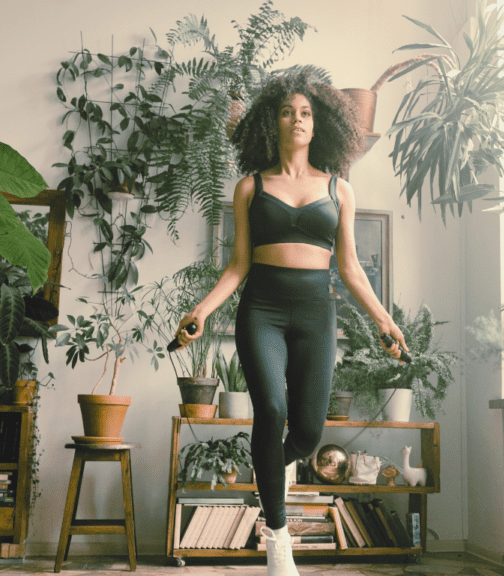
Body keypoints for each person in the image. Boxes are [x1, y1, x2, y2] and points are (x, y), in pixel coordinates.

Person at [173, 70, 407, 576]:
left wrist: (385, 323)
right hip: (262, 311)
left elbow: (349, 270)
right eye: (287, 112)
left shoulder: (339, 190)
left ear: (318, 124)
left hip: (314, 315)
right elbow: (236, 266)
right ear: (270, 122)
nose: (297, 120)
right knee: (271, 410)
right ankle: (278, 537)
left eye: (305, 113)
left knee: (306, 431)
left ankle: (266, 468)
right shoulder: (250, 187)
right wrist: (200, 312)